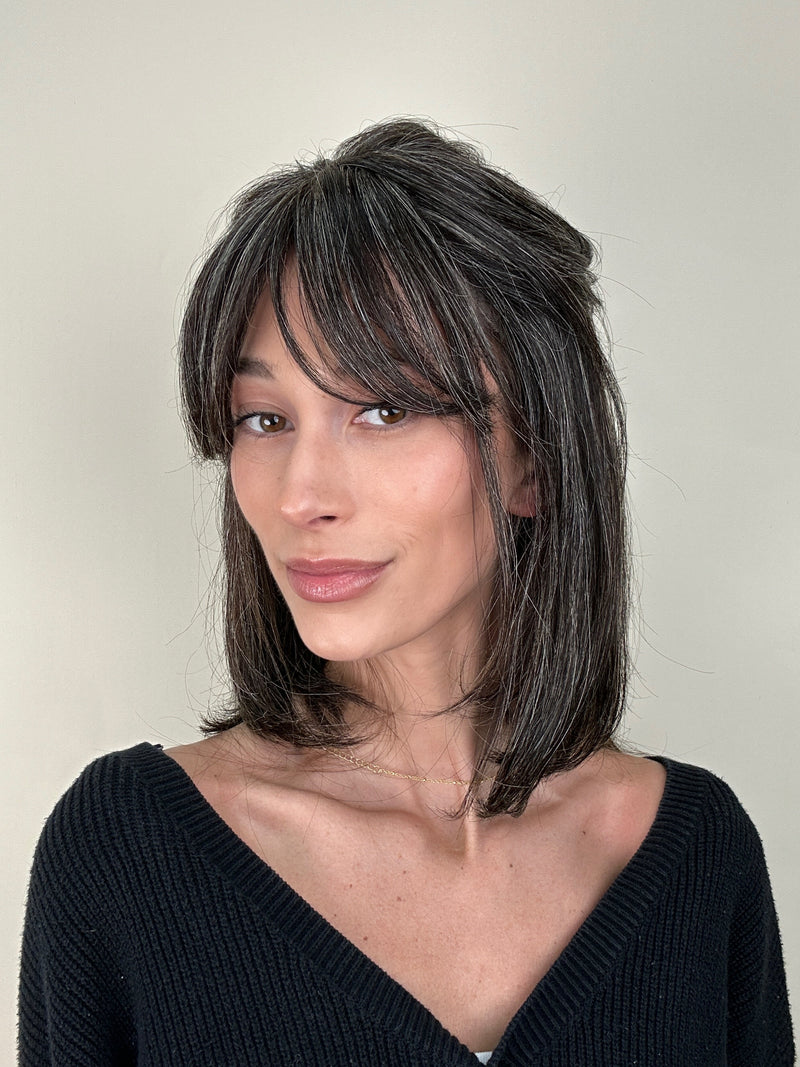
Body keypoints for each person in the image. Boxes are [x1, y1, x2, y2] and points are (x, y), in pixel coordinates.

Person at [19, 119, 793, 1066]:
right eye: (263, 417)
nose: (302, 493)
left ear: (535, 457)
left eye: (384, 409)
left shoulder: (696, 858)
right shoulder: (125, 856)